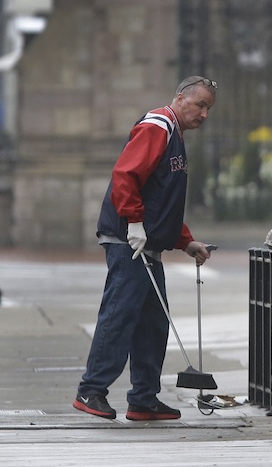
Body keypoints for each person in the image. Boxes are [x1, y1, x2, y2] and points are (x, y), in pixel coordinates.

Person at [73, 76, 217, 421]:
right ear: (181, 99)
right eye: (200, 105)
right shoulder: (158, 127)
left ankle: (144, 399)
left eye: (209, 108)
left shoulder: (173, 135)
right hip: (129, 241)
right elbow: (126, 176)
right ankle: (91, 391)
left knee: (153, 322)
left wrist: (185, 242)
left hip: (143, 243)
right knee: (120, 314)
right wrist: (134, 222)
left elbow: (163, 200)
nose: (204, 114)